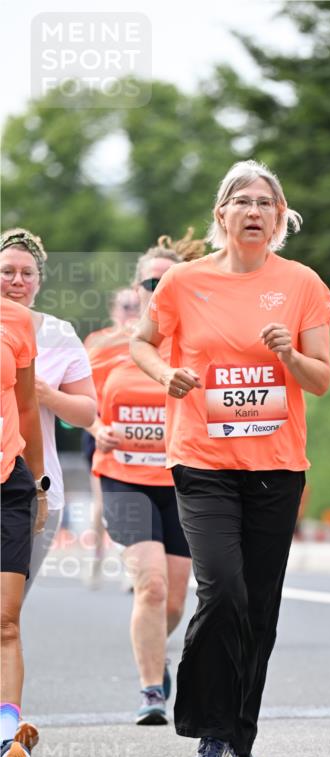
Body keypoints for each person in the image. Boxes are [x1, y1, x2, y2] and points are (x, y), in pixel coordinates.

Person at [131, 159, 330, 757]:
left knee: (261, 608)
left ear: (279, 219)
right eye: (242, 201)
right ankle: (208, 736)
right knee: (222, 589)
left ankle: (240, 737)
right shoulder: (185, 282)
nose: (254, 211)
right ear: (221, 214)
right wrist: (168, 375)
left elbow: (321, 379)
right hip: (203, 460)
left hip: (276, 467)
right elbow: (143, 341)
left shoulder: (302, 283)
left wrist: (288, 354)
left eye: (265, 203)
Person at [88, 236, 205, 724]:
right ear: (137, 288)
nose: (158, 290)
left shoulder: (198, 343)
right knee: (152, 586)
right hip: (123, 478)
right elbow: (75, 402)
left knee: (175, 599)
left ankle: (158, 653)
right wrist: (97, 427)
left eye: (166, 282)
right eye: (150, 283)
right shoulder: (107, 346)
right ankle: (151, 691)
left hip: (180, 478)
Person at [0, 229, 97, 593]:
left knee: (7, 613)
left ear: (39, 282)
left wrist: (44, 394)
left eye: (27, 274)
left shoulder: (59, 333)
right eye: (7, 271)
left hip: (36, 490)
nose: (16, 281)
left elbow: (87, 414)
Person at [1, 297, 48, 757]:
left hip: (7, 484)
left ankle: (4, 743)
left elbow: (29, 404)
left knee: (6, 622)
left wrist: (38, 485)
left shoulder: (13, 320)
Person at [82, 288, 140, 584]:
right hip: (103, 428)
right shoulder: (99, 342)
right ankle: (96, 559)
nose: (131, 311)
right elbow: (82, 390)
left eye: (136, 306)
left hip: (142, 428)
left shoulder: (147, 341)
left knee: (137, 500)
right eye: (125, 306)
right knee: (102, 503)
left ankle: (133, 567)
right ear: (113, 310)